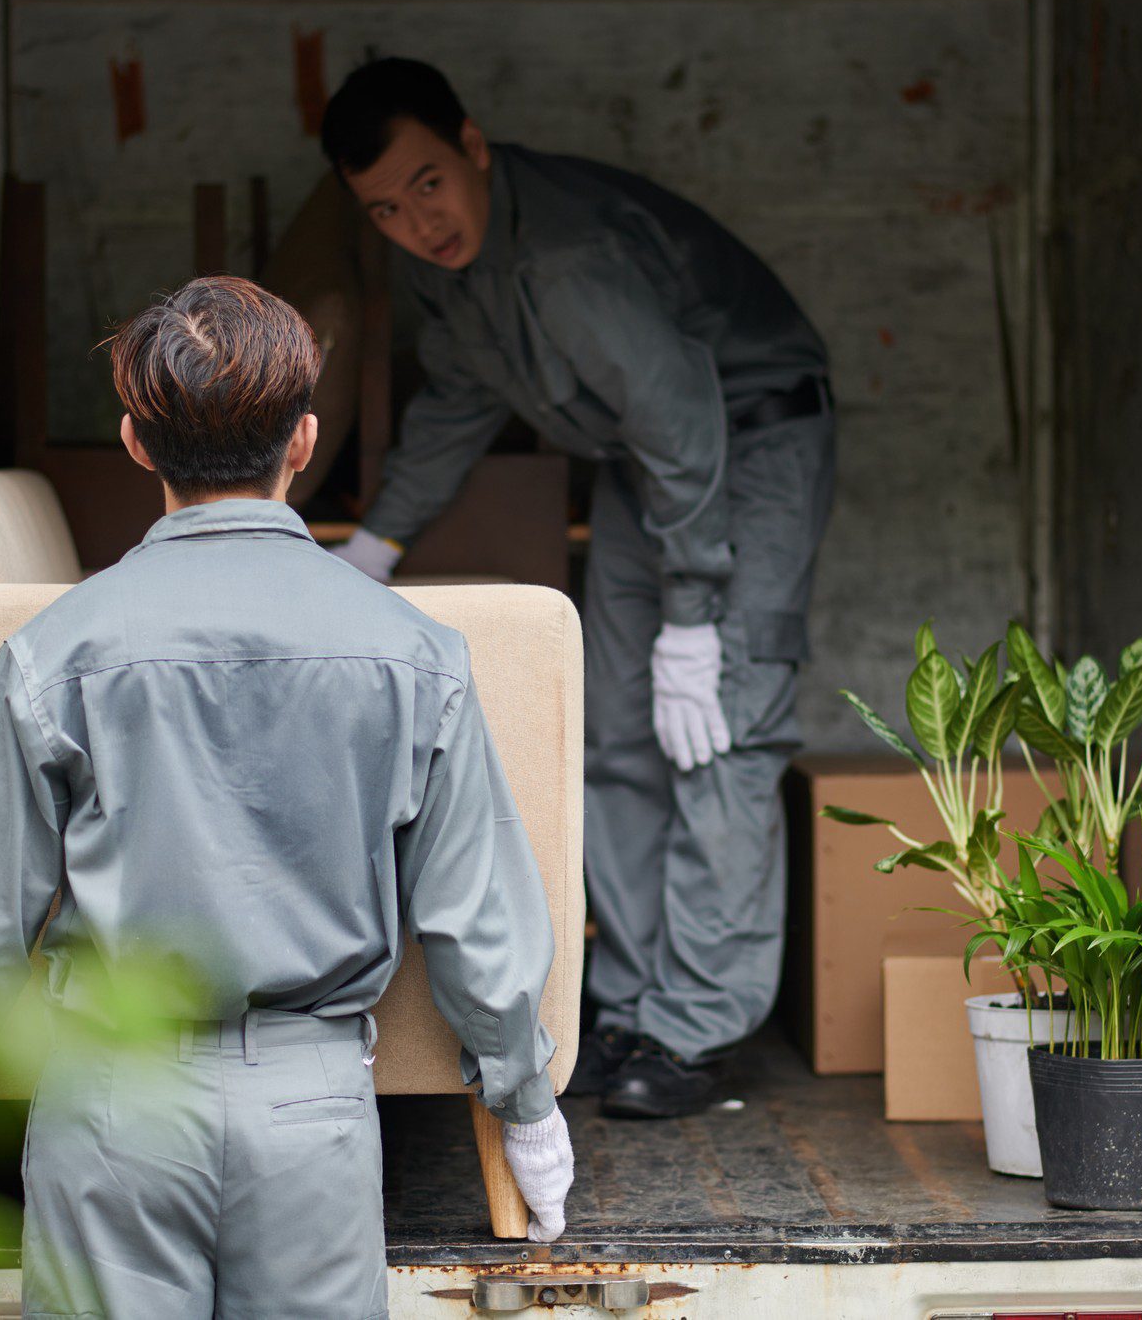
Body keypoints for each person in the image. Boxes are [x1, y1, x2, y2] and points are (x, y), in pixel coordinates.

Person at [0, 277, 576, 1318]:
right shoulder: (417, 656)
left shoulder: (53, 654)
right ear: (303, 442)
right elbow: (473, 919)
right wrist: (526, 1106)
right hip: (315, 1112)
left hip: (109, 1106)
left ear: (133, 442)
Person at [323, 60, 834, 1119]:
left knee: (720, 725)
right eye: (383, 206)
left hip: (747, 442)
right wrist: (371, 548)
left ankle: (695, 1031)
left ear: (471, 144)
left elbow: (687, 422)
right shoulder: (437, 272)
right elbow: (459, 403)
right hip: (642, 463)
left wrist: (694, 613)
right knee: (612, 734)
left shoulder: (564, 257)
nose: (417, 221)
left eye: (427, 182)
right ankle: (636, 1010)